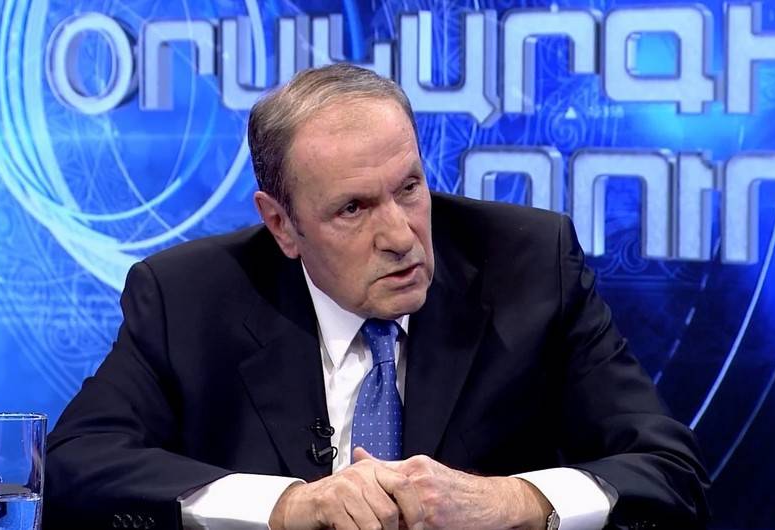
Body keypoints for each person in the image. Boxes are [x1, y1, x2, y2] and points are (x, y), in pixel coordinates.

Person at [44, 64, 710, 530]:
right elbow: (76, 466)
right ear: (282, 225)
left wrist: (512, 502)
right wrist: (285, 507)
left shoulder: (530, 267)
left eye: (409, 188)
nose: (400, 236)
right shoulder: (189, 297)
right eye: (353, 208)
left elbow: (668, 472)